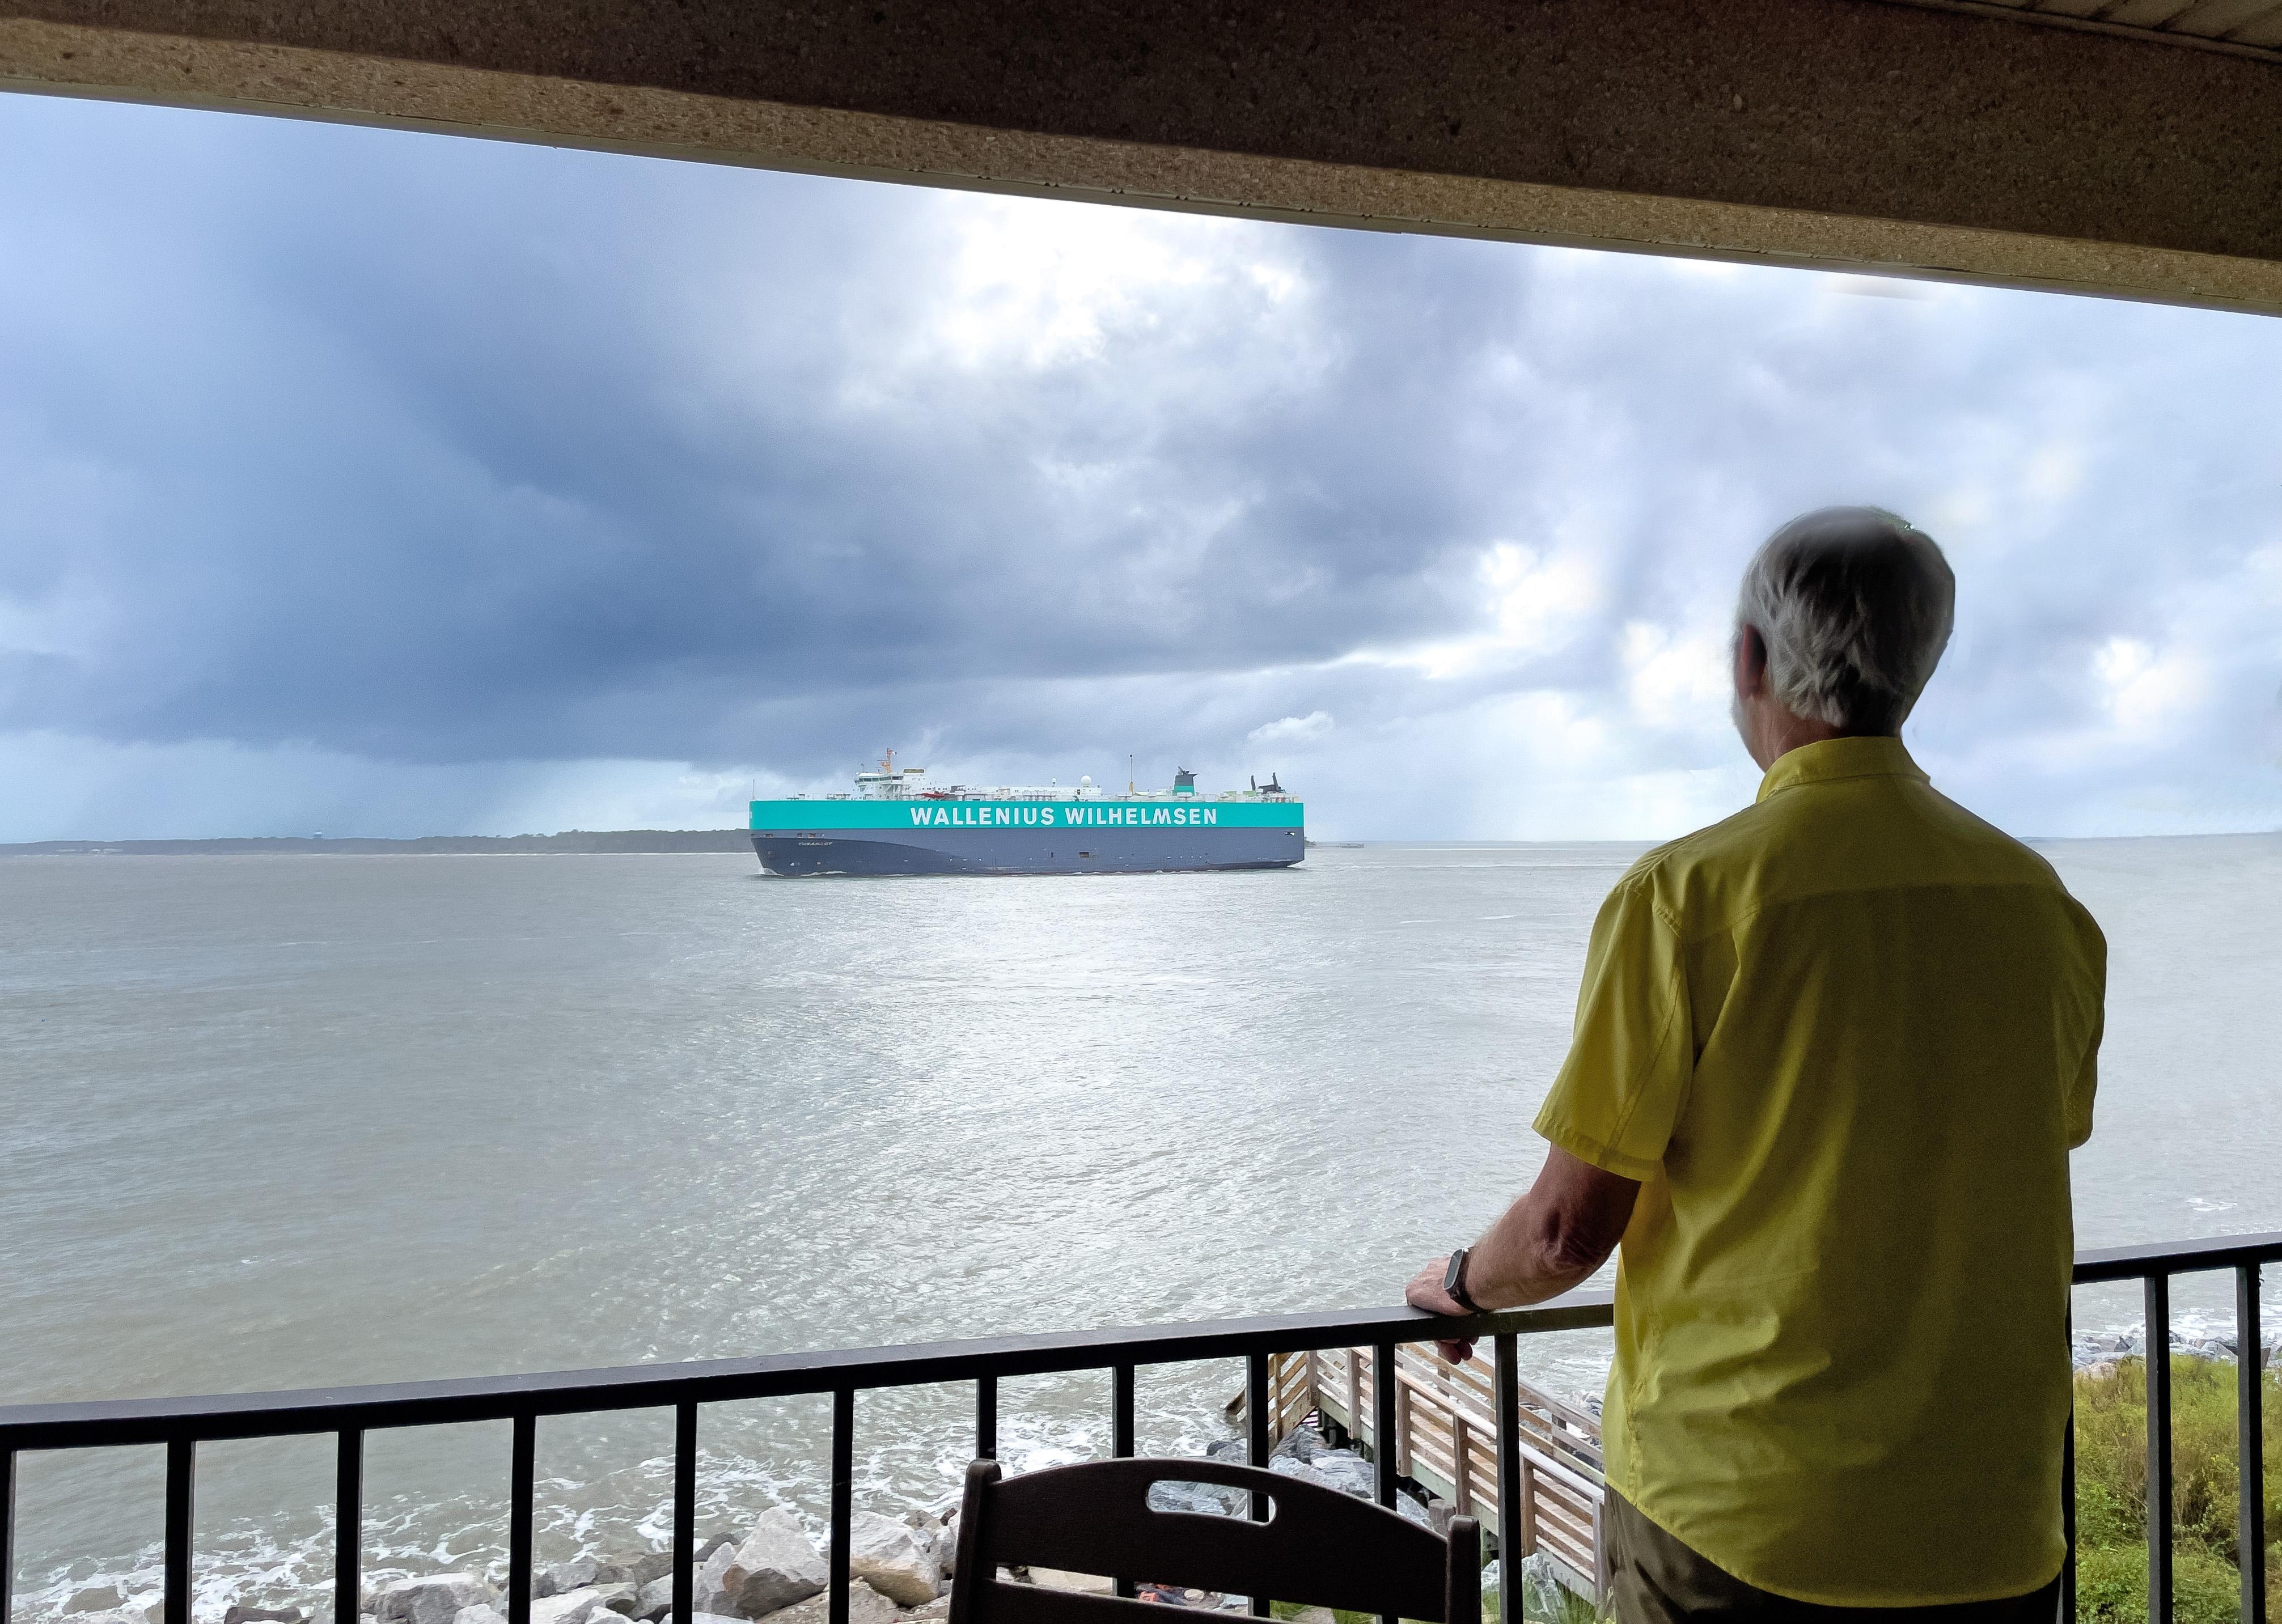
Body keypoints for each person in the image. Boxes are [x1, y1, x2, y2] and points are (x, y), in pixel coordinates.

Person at [1405, 507, 2106, 1621]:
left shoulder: (1683, 898)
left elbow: (1564, 1232)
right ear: (1922, 662)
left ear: (1750, 659)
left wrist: (1456, 1285)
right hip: (1987, 1517)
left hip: (1740, 1518)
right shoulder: (2039, 903)